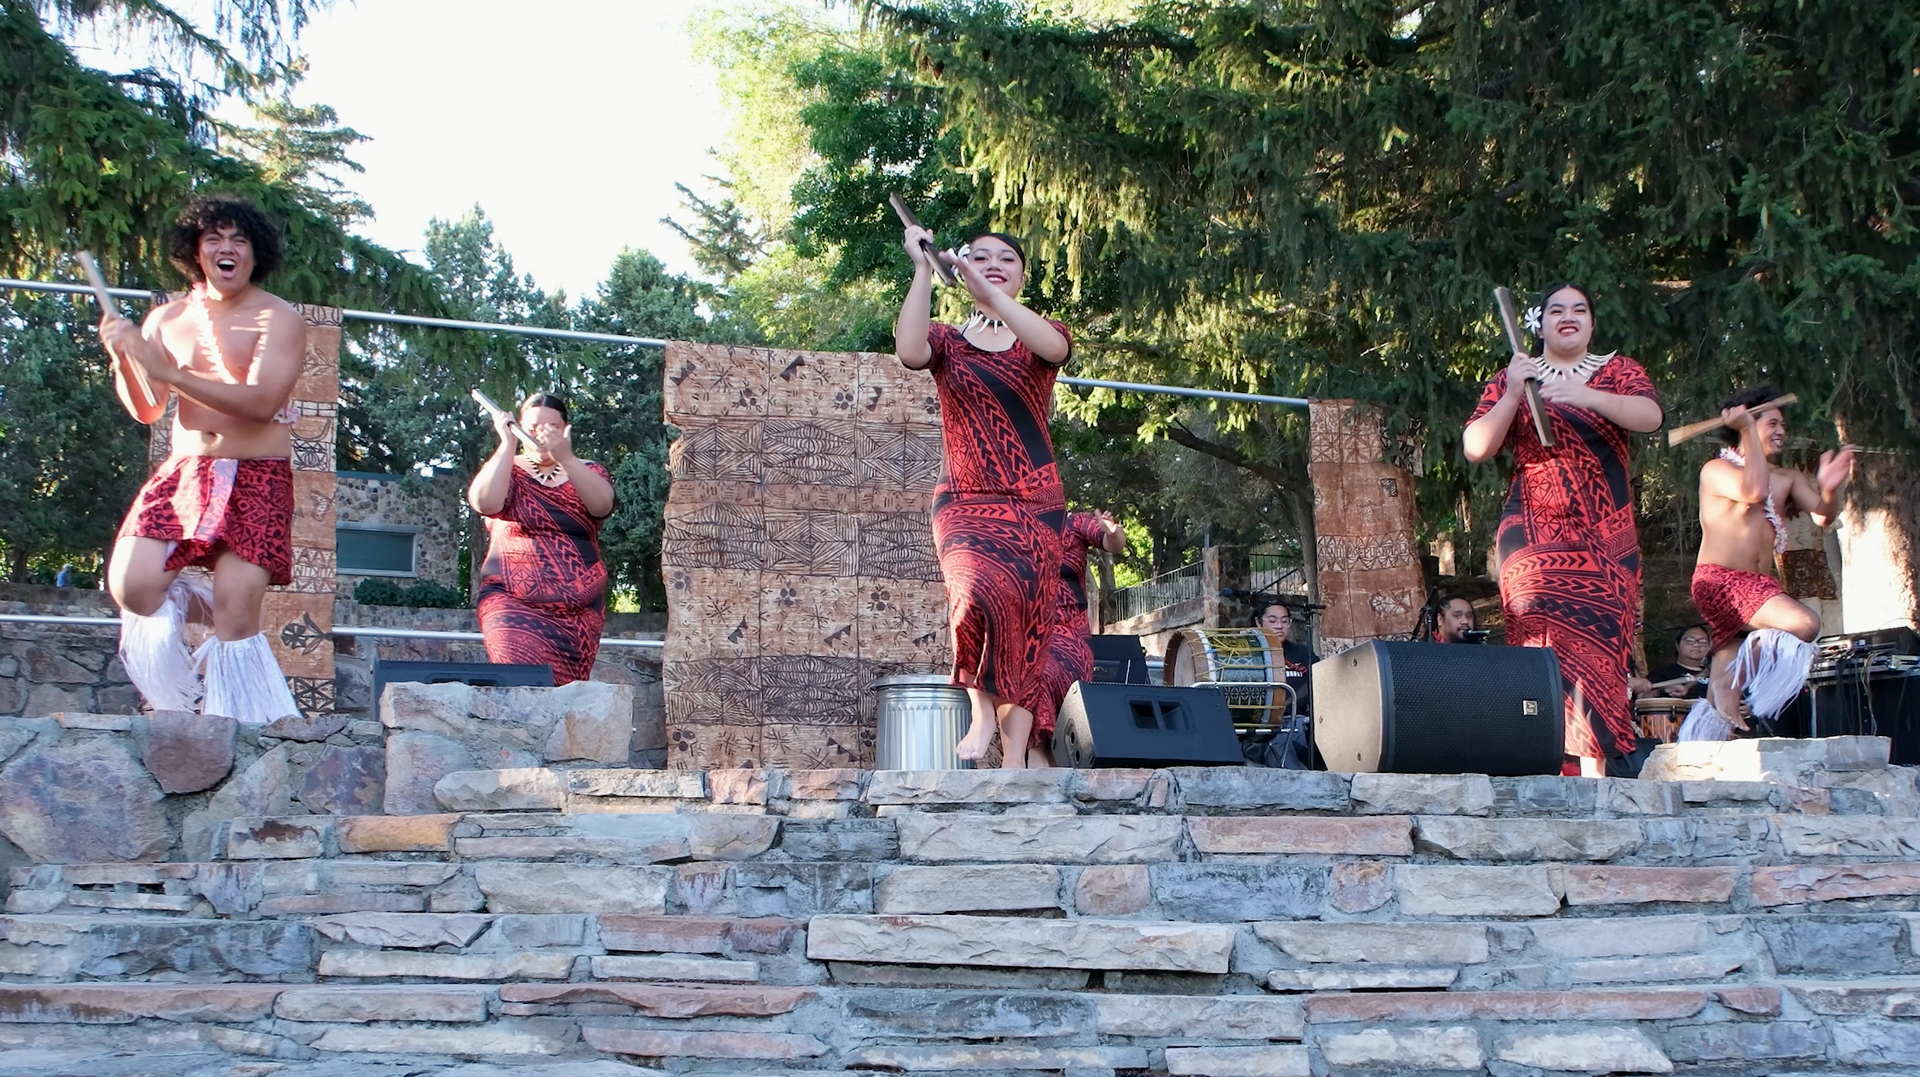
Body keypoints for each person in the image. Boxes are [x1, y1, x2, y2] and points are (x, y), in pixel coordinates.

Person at [99, 195, 307, 723]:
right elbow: (148, 408)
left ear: (256, 254)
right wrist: (124, 359)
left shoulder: (277, 317)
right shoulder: (166, 318)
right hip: (186, 474)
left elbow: (261, 404)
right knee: (133, 585)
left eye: (239, 240)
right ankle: (184, 645)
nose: (227, 248)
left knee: (236, 619)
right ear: (196, 251)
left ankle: (235, 731)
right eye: (214, 239)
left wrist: (167, 372)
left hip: (257, 475)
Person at [1464, 283, 1664, 776]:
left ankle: (1595, 772)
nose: (1568, 317)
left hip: (1606, 534)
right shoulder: (1514, 375)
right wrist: (1513, 390)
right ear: (1540, 324)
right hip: (1532, 529)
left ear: (1592, 323)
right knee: (1539, 645)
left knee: (1600, 650)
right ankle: (1542, 761)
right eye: (1556, 310)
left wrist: (1585, 394)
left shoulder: (1619, 371)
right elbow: (1476, 445)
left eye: (1579, 310)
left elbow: (1650, 417)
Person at [896, 224, 1072, 768]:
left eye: (1007, 259)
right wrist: (923, 267)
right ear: (960, 265)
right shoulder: (948, 340)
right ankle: (979, 712)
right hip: (966, 498)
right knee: (974, 594)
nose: (994, 263)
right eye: (980, 256)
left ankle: (1015, 757)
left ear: (1021, 275)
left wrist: (990, 293)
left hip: (1035, 500)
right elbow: (908, 350)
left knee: (1026, 626)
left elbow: (1056, 349)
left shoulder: (1039, 334)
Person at [1683, 386, 1855, 738]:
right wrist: (1746, 428)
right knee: (1804, 623)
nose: (1781, 431)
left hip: (1759, 585)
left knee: (1723, 711)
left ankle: (1701, 747)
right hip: (1721, 581)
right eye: (1771, 423)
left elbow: (1823, 516)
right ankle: (1730, 680)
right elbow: (1753, 492)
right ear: (1746, 425)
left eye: (1783, 425)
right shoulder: (1715, 470)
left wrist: (1830, 489)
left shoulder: (1787, 477)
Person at [468, 392, 615, 685]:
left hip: (578, 611)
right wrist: (507, 445)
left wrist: (567, 459)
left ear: (566, 430)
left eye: (553, 427)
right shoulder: (507, 467)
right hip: (512, 601)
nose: (542, 434)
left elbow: (602, 505)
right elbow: (485, 503)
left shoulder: (588, 469)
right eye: (533, 427)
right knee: (520, 686)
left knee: (565, 699)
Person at [1035, 511, 1127, 766]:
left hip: (1070, 634)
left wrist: (1112, 530)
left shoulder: (1075, 523)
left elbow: (1114, 543)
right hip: (1029, 634)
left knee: (1041, 676)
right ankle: (1035, 781)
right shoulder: (1015, 525)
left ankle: (1045, 775)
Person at [1253, 601, 1317, 716]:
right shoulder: (1249, 654)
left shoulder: (1302, 653)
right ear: (1259, 622)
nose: (1279, 626)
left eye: (1284, 621)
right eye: (1272, 621)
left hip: (1296, 720)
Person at [1641, 624, 1711, 700]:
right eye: (1689, 641)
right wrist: (1662, 691)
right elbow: (1642, 697)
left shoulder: (1716, 674)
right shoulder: (1663, 672)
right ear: (1677, 645)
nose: (1696, 645)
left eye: (1703, 642)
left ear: (1709, 647)